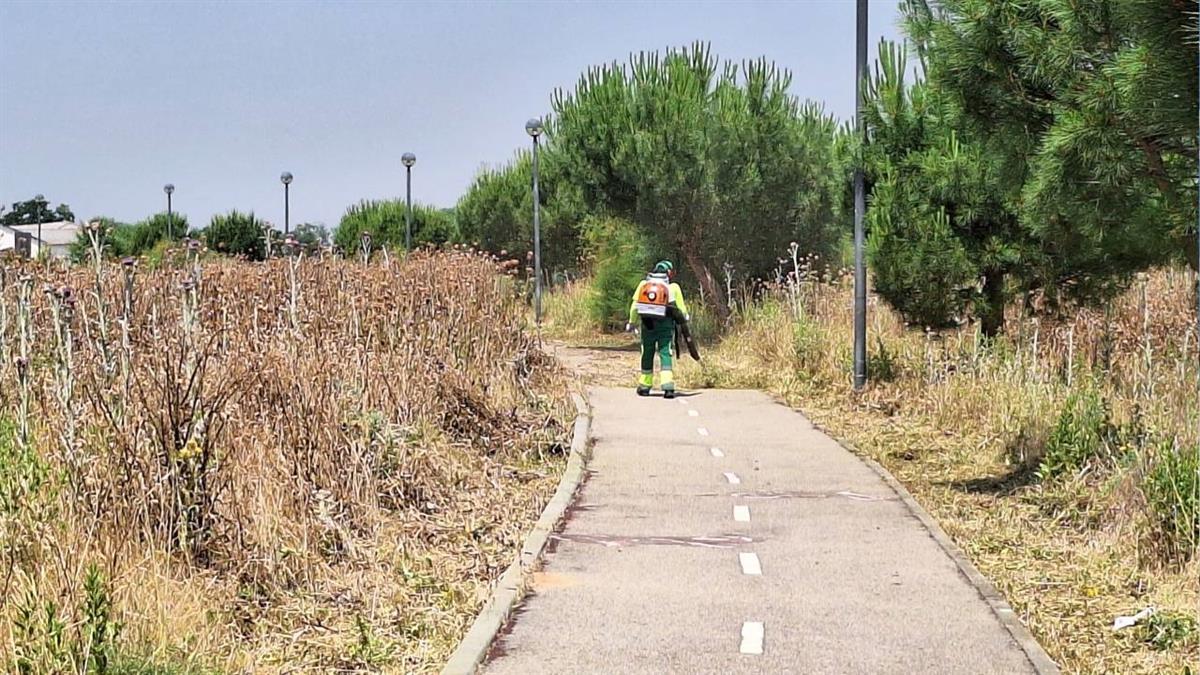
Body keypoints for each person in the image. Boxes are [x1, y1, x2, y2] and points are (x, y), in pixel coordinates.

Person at [627, 260, 689, 398]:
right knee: (665, 353)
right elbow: (682, 310)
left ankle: (644, 386)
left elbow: (634, 307)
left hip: (647, 325)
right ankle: (667, 386)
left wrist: (632, 322)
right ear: (669, 273)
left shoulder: (643, 284)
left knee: (647, 353)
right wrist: (684, 320)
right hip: (665, 326)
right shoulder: (673, 287)